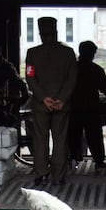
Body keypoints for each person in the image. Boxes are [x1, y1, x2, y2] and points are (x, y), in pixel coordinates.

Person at [25, 16, 77, 187]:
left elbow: (30, 78)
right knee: (60, 139)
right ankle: (58, 177)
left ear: (40, 33)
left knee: (40, 138)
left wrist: (43, 98)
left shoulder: (32, 53)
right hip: (62, 105)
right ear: (56, 32)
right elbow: (72, 78)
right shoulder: (68, 53)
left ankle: (41, 174)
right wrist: (61, 99)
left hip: (41, 105)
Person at [68, 40, 106, 170]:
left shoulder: (71, 68)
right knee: (94, 136)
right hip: (91, 108)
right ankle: (99, 161)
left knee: (73, 135)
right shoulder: (95, 69)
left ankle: (73, 159)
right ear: (92, 54)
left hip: (73, 107)